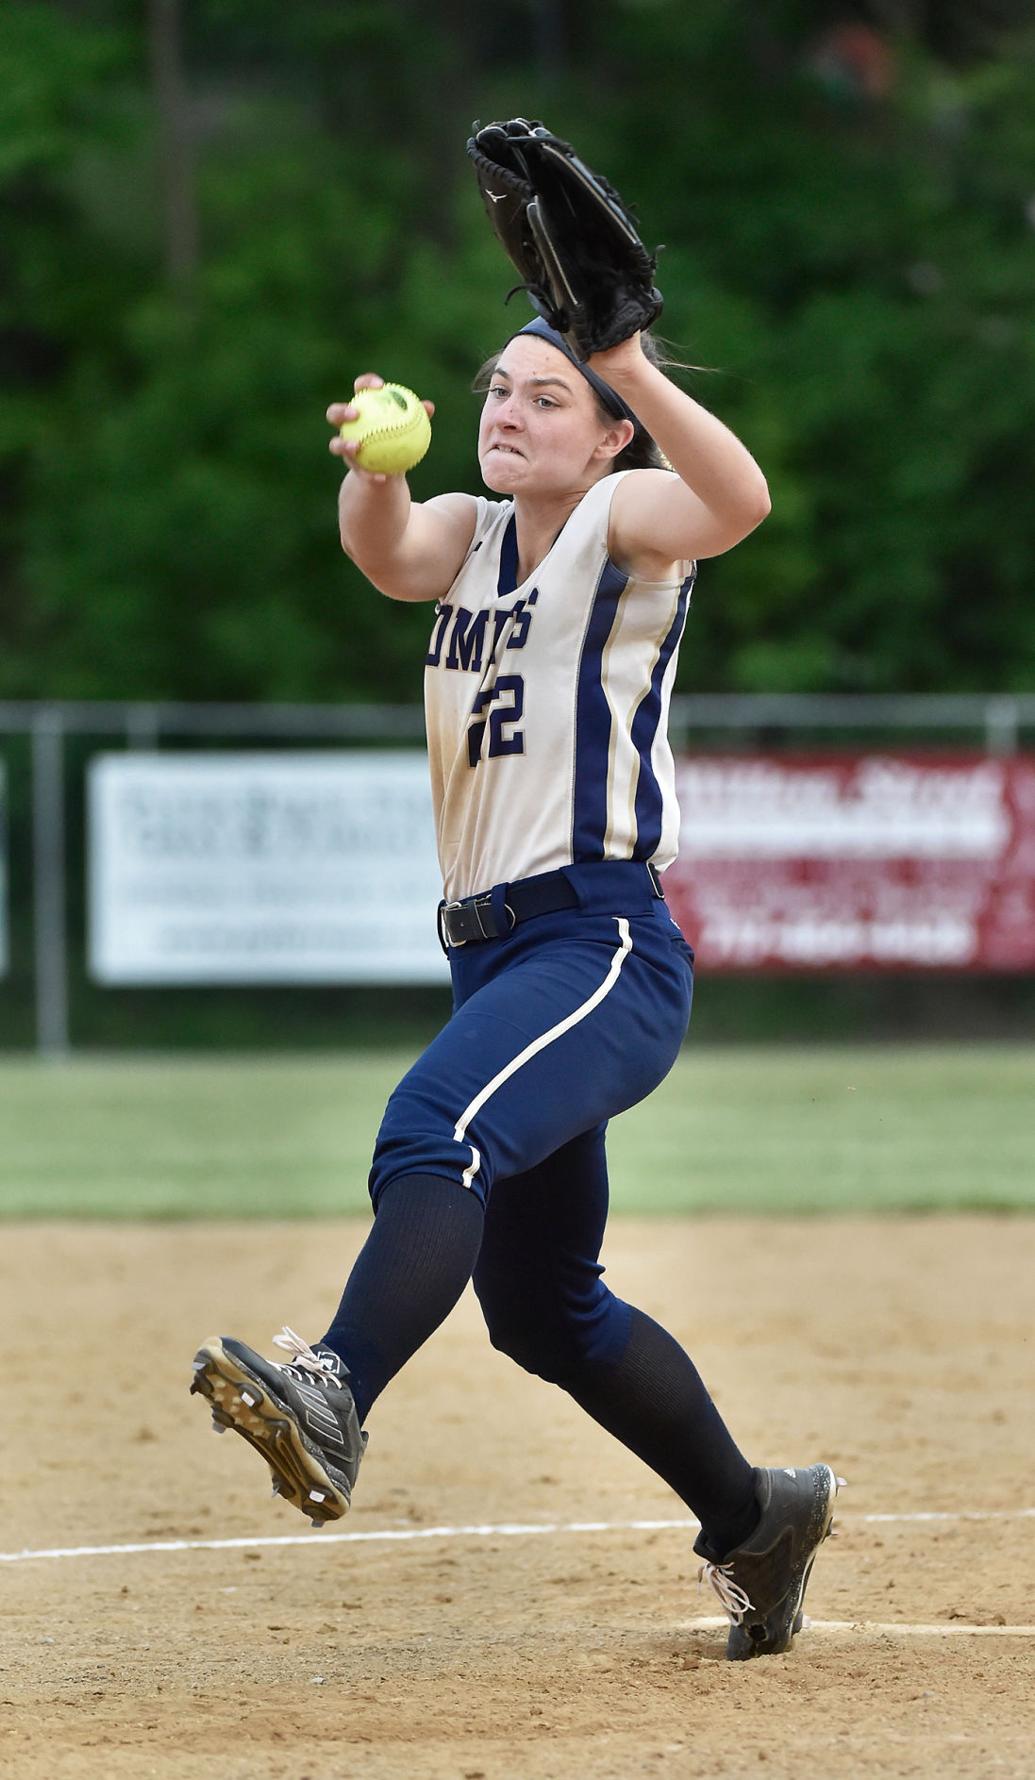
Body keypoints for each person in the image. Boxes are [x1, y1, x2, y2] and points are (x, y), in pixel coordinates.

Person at [191, 316, 839, 1660]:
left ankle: (333, 1390)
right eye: (498, 390)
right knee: (545, 1310)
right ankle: (756, 1520)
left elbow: (740, 502)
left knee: (436, 1131)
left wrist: (633, 362)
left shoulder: (625, 519)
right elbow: (384, 554)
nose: (509, 412)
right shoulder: (471, 537)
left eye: (550, 397)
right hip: (492, 956)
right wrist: (373, 467)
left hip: (599, 947)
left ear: (609, 438)